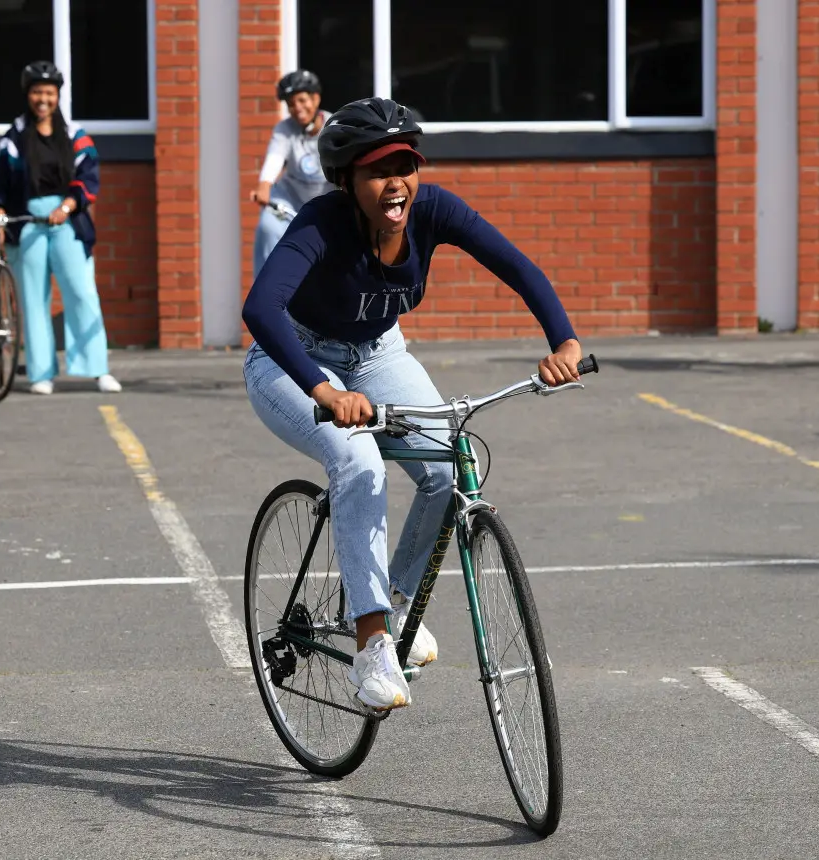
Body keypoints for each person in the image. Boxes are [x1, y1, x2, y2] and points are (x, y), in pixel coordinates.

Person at [241, 97, 584, 712]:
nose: (396, 181)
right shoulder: (320, 224)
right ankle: (371, 641)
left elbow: (515, 265)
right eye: (378, 170)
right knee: (360, 463)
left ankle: (394, 605)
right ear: (347, 182)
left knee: (446, 466)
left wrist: (563, 339)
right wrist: (324, 392)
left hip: (377, 352)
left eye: (406, 164)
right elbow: (260, 309)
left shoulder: (433, 210)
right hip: (292, 357)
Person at [0, 60, 121, 395]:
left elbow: (89, 178)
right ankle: (40, 373)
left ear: (57, 95)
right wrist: (0, 215)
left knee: (82, 292)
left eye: (48, 92)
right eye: (36, 92)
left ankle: (97, 368)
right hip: (28, 225)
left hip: (68, 222)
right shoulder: (14, 138)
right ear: (27, 95)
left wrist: (67, 206)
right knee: (33, 299)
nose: (42, 99)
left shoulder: (74, 135)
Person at [248, 70, 334, 280]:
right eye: (291, 104)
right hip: (289, 200)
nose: (297, 108)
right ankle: (265, 294)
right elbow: (275, 157)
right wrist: (265, 185)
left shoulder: (334, 128)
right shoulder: (285, 129)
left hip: (325, 204)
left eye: (302, 100)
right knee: (268, 228)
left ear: (316, 98)